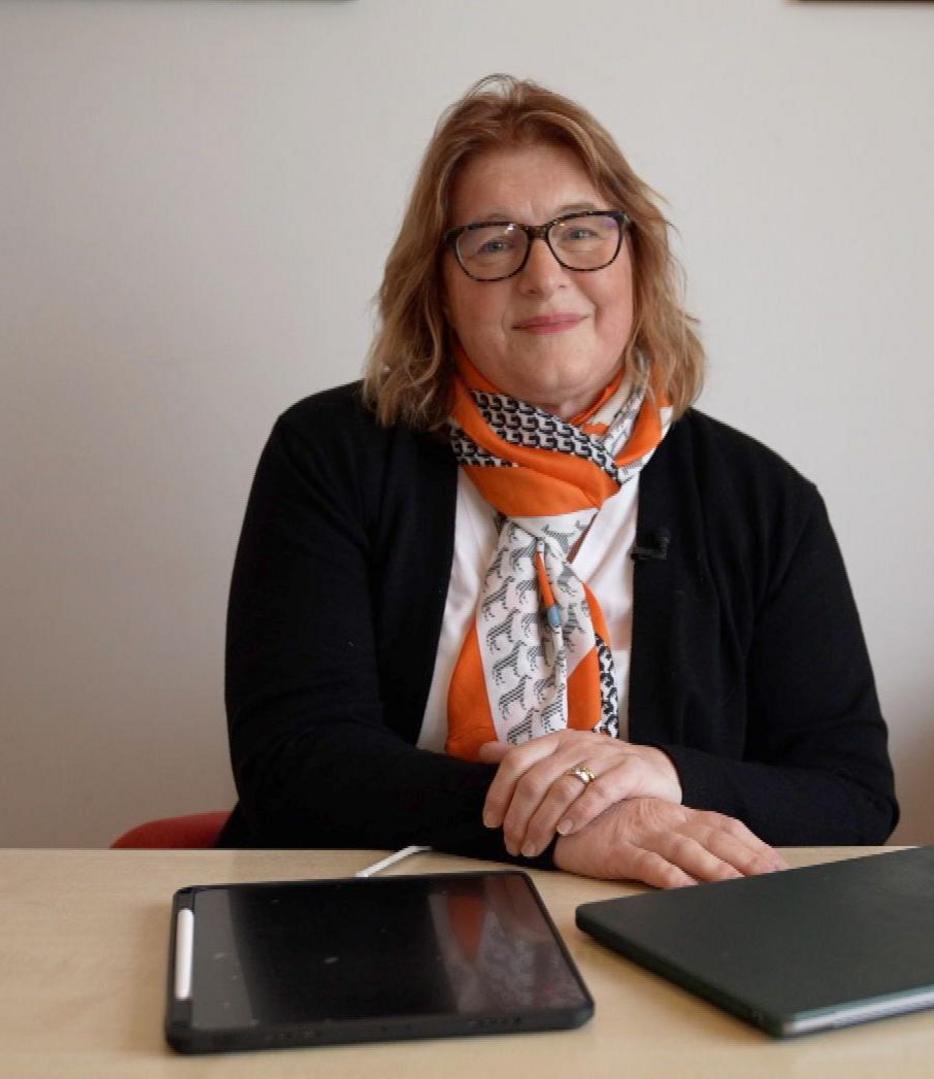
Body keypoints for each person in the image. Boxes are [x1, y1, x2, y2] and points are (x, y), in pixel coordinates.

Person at [218, 75, 895, 888]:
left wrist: (662, 777)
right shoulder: (329, 456)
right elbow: (295, 766)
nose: (544, 276)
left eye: (580, 232)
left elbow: (854, 795)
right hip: (363, 921)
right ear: (438, 286)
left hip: (673, 933)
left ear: (638, 258)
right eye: (495, 241)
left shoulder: (764, 501)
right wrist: (565, 827)